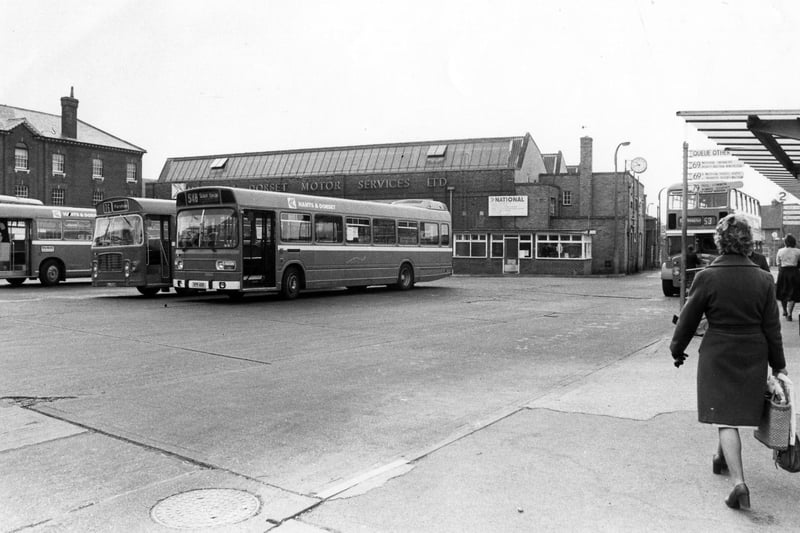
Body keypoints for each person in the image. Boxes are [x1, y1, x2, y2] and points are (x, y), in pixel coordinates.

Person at [671, 214, 787, 511]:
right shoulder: (763, 279)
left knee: (724, 417)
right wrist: (778, 365)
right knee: (730, 410)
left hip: (718, 352)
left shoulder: (707, 276)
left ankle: (739, 484)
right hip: (753, 353)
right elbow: (772, 327)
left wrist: (677, 348)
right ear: (748, 241)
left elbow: (688, 319)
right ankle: (721, 457)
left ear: (720, 241)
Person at [775, 234, 800, 320]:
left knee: (783, 292)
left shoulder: (780, 251)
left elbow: (778, 264)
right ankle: (789, 313)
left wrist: (781, 272)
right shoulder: (798, 251)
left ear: (785, 242)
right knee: (793, 293)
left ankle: (785, 310)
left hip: (783, 272)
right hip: (794, 272)